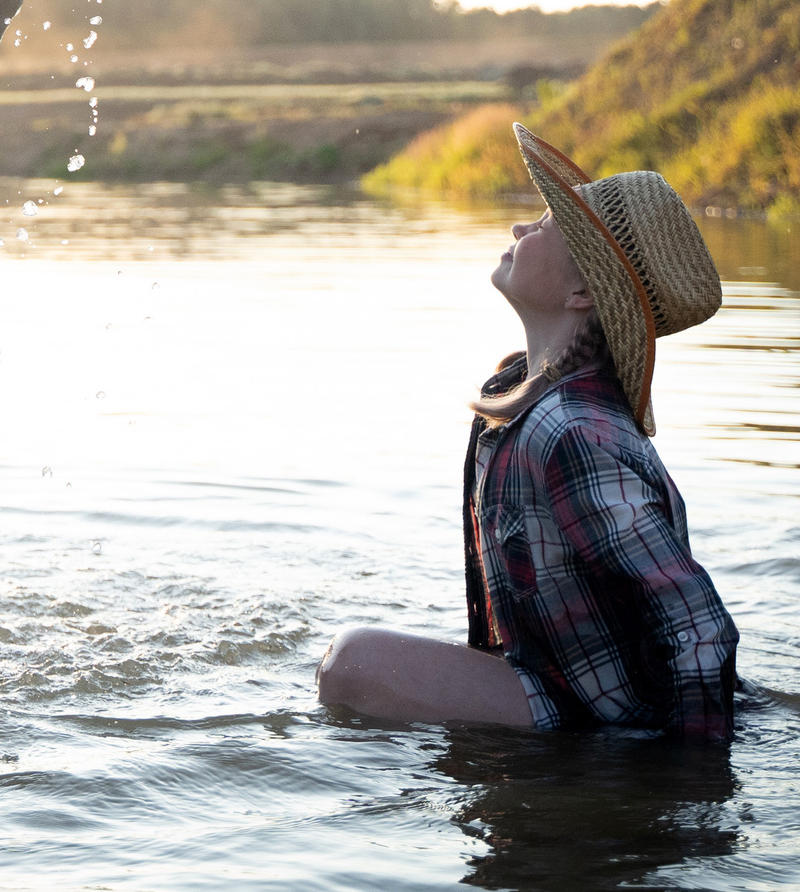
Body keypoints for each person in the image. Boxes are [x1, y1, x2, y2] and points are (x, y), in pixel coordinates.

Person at [316, 124, 739, 741]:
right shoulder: (524, 397)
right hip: (558, 681)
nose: (519, 230)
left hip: (599, 716)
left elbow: (696, 623)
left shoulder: (574, 431)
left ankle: (574, 763)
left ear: (578, 293)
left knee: (353, 664)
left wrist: (692, 777)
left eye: (543, 226)